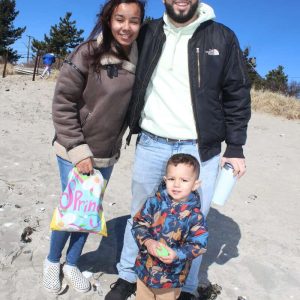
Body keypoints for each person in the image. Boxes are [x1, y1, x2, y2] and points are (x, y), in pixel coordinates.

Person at [105, 0, 251, 299]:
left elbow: (237, 91)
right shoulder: (149, 32)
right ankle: (128, 276)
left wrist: (235, 146)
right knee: (139, 214)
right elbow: (113, 42)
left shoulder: (222, 37)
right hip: (152, 141)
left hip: (201, 148)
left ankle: (185, 287)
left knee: (194, 220)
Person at [42, 0, 145, 294]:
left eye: (134, 21)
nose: (126, 27)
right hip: (75, 149)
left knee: (89, 212)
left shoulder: (141, 62)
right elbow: (63, 104)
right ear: (108, 20)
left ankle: (71, 263)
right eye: (120, 19)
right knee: (73, 209)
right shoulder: (87, 53)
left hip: (107, 155)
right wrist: (79, 152)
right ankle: (52, 262)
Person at [132, 154, 208, 300]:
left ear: (195, 184)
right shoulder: (154, 203)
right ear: (165, 180)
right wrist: (148, 241)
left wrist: (177, 254)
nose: (176, 184)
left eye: (184, 180)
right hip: (144, 270)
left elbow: (199, 245)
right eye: (172, 179)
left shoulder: (195, 216)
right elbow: (138, 224)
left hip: (171, 278)